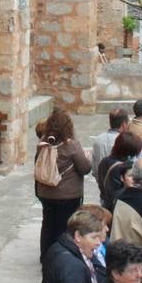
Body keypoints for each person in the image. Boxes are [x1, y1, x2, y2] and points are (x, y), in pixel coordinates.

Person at [36, 109, 93, 261]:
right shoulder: (72, 145)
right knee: (63, 227)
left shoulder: (42, 143)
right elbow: (84, 168)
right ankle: (60, 258)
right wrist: (87, 158)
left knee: (48, 224)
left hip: (45, 193)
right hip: (68, 194)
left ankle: (46, 256)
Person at [96, 131, 142, 212]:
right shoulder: (123, 167)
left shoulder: (104, 161)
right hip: (118, 206)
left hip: (105, 203)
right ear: (130, 152)